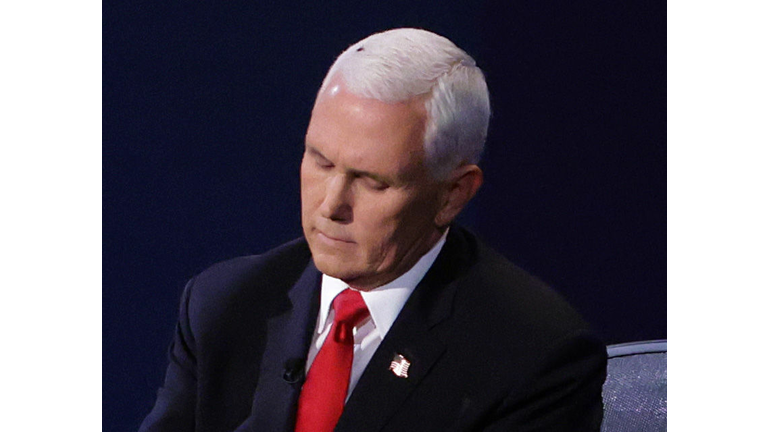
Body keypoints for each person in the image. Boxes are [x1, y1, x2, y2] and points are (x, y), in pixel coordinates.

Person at [139, 28, 606, 432]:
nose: (330, 205)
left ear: (453, 194)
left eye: (372, 181)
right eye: (320, 162)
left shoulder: (532, 355)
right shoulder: (224, 306)